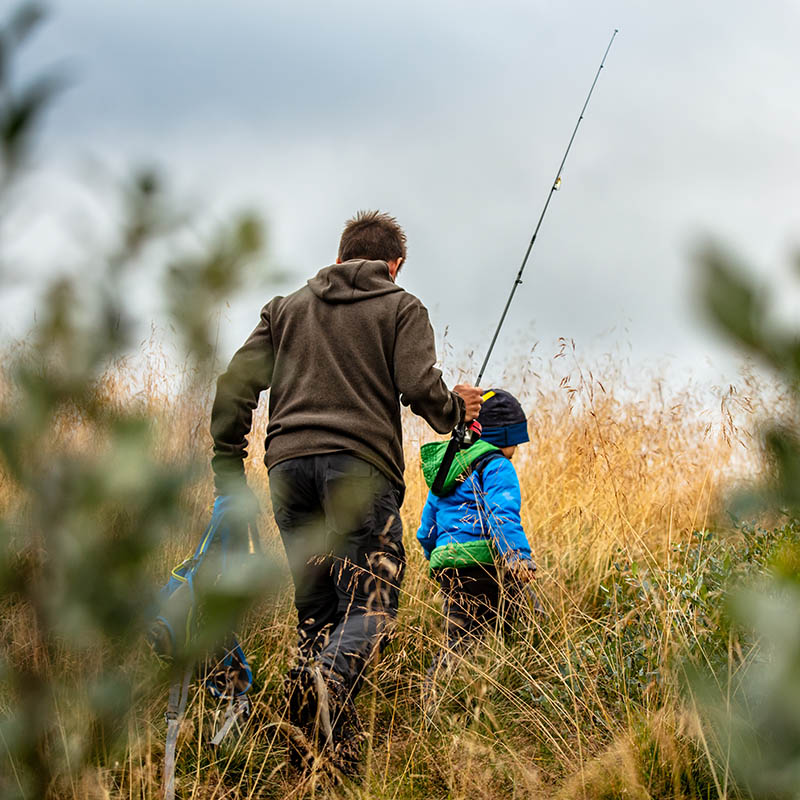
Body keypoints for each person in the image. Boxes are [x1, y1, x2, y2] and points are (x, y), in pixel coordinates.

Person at [209, 209, 482, 771]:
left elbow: (235, 383)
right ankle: (320, 687)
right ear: (395, 265)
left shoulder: (283, 309)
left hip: (287, 471)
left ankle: (316, 757)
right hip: (359, 473)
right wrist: (457, 406)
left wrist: (227, 462)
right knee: (373, 604)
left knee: (316, 612)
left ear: (339, 257)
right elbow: (419, 390)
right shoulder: (402, 306)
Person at [416, 389, 537, 691]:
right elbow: (502, 513)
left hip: (449, 566)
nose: (517, 448)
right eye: (516, 440)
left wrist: (440, 557)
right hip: (484, 563)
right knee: (525, 618)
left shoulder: (449, 469)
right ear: (503, 436)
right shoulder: (497, 465)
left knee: (459, 635)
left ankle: (437, 695)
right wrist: (517, 556)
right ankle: (520, 680)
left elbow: (426, 530)